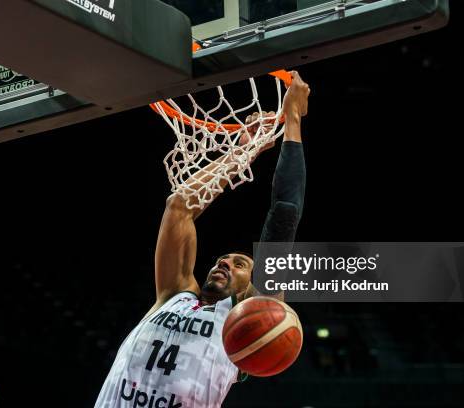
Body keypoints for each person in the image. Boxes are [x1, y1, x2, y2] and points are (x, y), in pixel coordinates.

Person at [95, 71, 310, 408]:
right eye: (223, 259)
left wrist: (293, 118)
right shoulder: (173, 295)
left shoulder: (245, 323)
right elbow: (179, 207)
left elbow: (284, 214)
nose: (223, 261)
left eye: (240, 264)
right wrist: (243, 153)